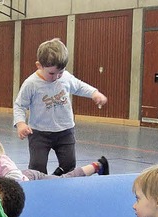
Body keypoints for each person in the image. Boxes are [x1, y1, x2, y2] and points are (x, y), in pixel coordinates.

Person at [13, 38, 108, 176]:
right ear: (39, 65)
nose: (57, 77)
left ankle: (54, 181)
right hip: (39, 133)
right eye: (52, 73)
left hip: (65, 131)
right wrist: (21, 124)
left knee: (69, 164)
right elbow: (20, 105)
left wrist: (94, 93)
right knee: (37, 168)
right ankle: (43, 185)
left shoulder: (65, 78)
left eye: (60, 72)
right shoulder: (31, 84)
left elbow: (79, 86)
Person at [0, 116, 108, 184]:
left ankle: (97, 166)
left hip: (31, 178)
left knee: (62, 181)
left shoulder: (0, 161)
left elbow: (15, 177)